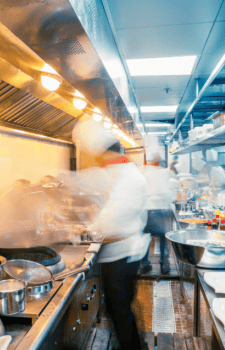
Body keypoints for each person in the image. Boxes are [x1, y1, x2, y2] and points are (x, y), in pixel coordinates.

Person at [72, 117, 150, 350]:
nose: (98, 161)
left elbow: (113, 216)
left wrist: (86, 230)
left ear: (106, 153)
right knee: (119, 307)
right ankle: (128, 343)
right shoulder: (122, 171)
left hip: (122, 254)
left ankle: (132, 347)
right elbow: (100, 196)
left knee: (120, 309)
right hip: (123, 252)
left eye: (99, 156)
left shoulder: (127, 176)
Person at [139, 163, 177, 275]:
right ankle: (164, 264)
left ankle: (145, 264)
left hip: (148, 209)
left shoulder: (145, 171)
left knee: (146, 238)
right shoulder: (165, 172)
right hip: (161, 209)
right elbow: (172, 189)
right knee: (163, 238)